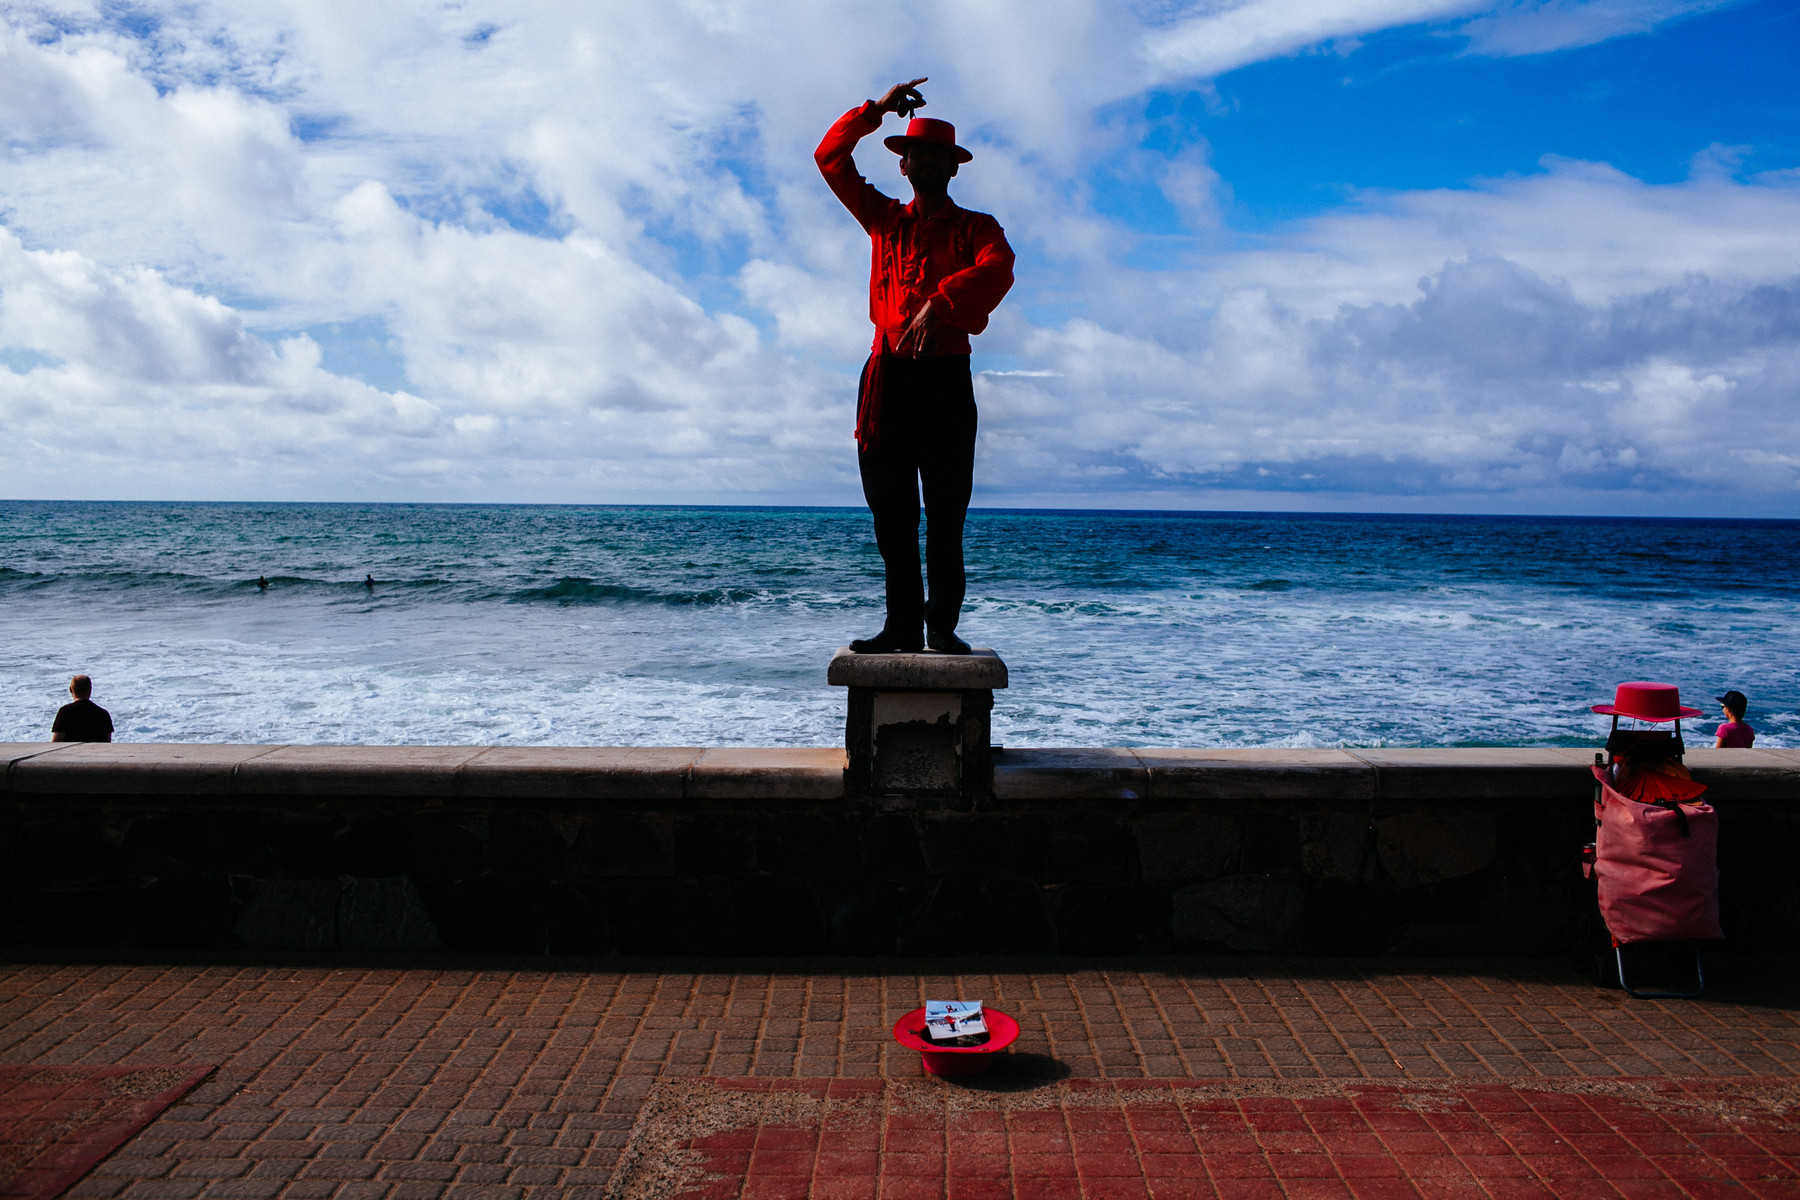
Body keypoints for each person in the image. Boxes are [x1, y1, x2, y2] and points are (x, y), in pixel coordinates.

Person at [816, 77, 1016, 655]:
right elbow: (829, 159)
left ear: (953, 168)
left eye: (936, 155)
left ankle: (942, 628)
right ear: (903, 167)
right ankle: (902, 626)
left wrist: (943, 302)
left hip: (946, 378)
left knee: (947, 513)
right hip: (887, 379)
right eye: (916, 154)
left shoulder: (978, 227)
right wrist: (875, 110)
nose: (926, 162)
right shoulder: (883, 218)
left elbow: (999, 267)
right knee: (892, 513)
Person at [50, 675, 113, 743]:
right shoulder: (103, 714)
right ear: (90, 690)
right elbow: (107, 743)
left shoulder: (65, 712)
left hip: (72, 750)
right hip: (95, 750)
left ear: (70, 690)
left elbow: (56, 743)